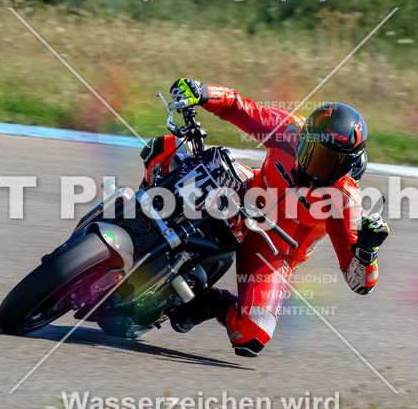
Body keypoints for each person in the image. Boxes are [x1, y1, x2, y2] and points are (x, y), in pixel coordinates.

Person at [160, 78, 389, 357]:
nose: (316, 167)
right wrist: (202, 92)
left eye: (331, 162)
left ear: (348, 167)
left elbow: (360, 284)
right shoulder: (289, 129)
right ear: (303, 136)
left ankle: (212, 301)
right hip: (243, 194)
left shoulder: (345, 200)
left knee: (252, 335)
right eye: (313, 152)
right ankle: (136, 214)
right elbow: (236, 106)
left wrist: (367, 251)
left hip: (273, 251)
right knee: (171, 151)